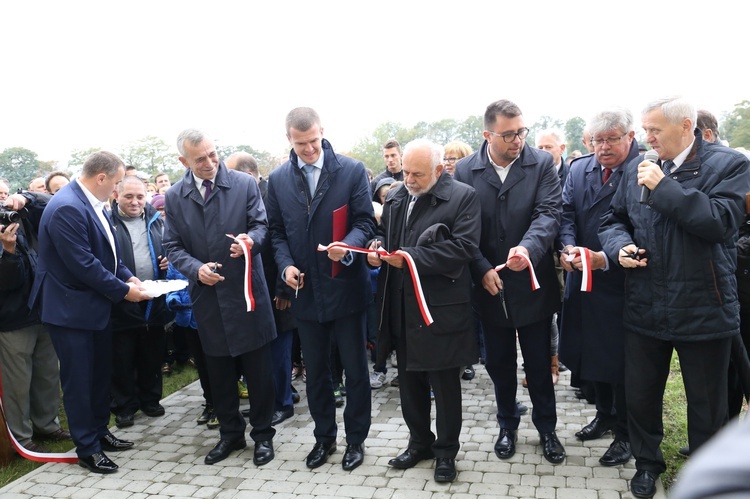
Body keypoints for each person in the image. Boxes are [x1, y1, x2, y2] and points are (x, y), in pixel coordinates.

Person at [599, 96, 750, 499]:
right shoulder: (639, 168)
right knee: (643, 395)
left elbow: (719, 222)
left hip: (705, 307)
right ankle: (648, 466)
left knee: (707, 406)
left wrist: (664, 187)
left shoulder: (729, 165)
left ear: (686, 126)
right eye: (645, 130)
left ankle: (706, 475)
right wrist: (620, 247)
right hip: (646, 303)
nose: (646, 138)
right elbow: (614, 219)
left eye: (654, 130)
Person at [453, 99, 565, 465]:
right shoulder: (466, 171)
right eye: (508, 134)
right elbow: (461, 229)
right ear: (487, 135)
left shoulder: (541, 163)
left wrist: (528, 248)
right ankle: (507, 425)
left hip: (531, 281)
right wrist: (481, 267)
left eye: (521, 131)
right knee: (499, 364)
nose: (518, 140)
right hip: (489, 284)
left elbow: (548, 213)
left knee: (537, 364)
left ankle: (547, 429)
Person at [28, 151, 152, 474]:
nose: (116, 191)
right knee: (80, 381)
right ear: (101, 178)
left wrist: (127, 275)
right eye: (115, 183)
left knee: (99, 376)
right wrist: (125, 292)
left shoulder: (92, 203)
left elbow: (108, 251)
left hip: (92, 306)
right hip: (70, 311)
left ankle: (100, 431)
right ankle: (87, 447)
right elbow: (83, 265)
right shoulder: (67, 207)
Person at [266, 107, 375, 471]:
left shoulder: (351, 170)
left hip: (346, 286)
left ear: (322, 132)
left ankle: (356, 441)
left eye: (313, 140)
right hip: (306, 291)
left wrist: (348, 243)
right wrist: (285, 266)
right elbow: (277, 233)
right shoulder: (279, 179)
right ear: (289, 140)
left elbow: (365, 221)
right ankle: (324, 438)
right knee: (316, 373)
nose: (309, 148)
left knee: (356, 372)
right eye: (301, 143)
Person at [162, 129, 277, 467]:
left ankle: (263, 436)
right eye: (201, 158)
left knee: (258, 371)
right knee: (218, 371)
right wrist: (196, 269)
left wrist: (249, 241)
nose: (210, 162)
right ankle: (230, 434)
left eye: (213, 154)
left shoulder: (243, 184)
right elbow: (172, 246)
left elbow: (262, 225)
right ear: (184, 161)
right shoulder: (174, 196)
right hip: (208, 297)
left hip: (246, 294)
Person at [368, 138, 480, 483]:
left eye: (417, 174)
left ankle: (446, 452)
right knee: (409, 381)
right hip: (401, 304)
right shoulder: (399, 195)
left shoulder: (463, 197)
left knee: (445, 385)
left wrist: (411, 258)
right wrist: (378, 251)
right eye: (405, 172)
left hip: (440, 307)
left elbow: (464, 248)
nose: (410, 180)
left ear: (438, 170)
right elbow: (388, 238)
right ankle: (419, 443)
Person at [558, 108, 640, 468]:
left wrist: (602, 257)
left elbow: (641, 227)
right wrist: (568, 248)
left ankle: (626, 433)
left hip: (623, 280)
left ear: (629, 137)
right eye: (597, 140)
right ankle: (604, 414)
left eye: (611, 139)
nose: (603, 147)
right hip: (581, 276)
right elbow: (565, 214)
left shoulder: (643, 171)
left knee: (622, 361)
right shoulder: (579, 169)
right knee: (591, 351)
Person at [0, 189, 70, 455]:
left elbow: (55, 203)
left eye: (4, 194)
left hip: (43, 309)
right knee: (18, 381)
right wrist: (8, 251)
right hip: (13, 317)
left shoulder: (23, 215)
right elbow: (7, 283)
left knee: (48, 374)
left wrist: (26, 197)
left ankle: (47, 425)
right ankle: (21, 436)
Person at [109, 176, 169, 428]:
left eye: (140, 197)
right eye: (129, 196)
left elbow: (169, 247)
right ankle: (124, 406)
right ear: (117, 196)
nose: (135, 202)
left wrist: (166, 261)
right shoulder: (107, 221)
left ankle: (151, 399)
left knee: (152, 351)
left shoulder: (156, 220)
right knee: (122, 355)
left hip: (153, 296)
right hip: (122, 296)